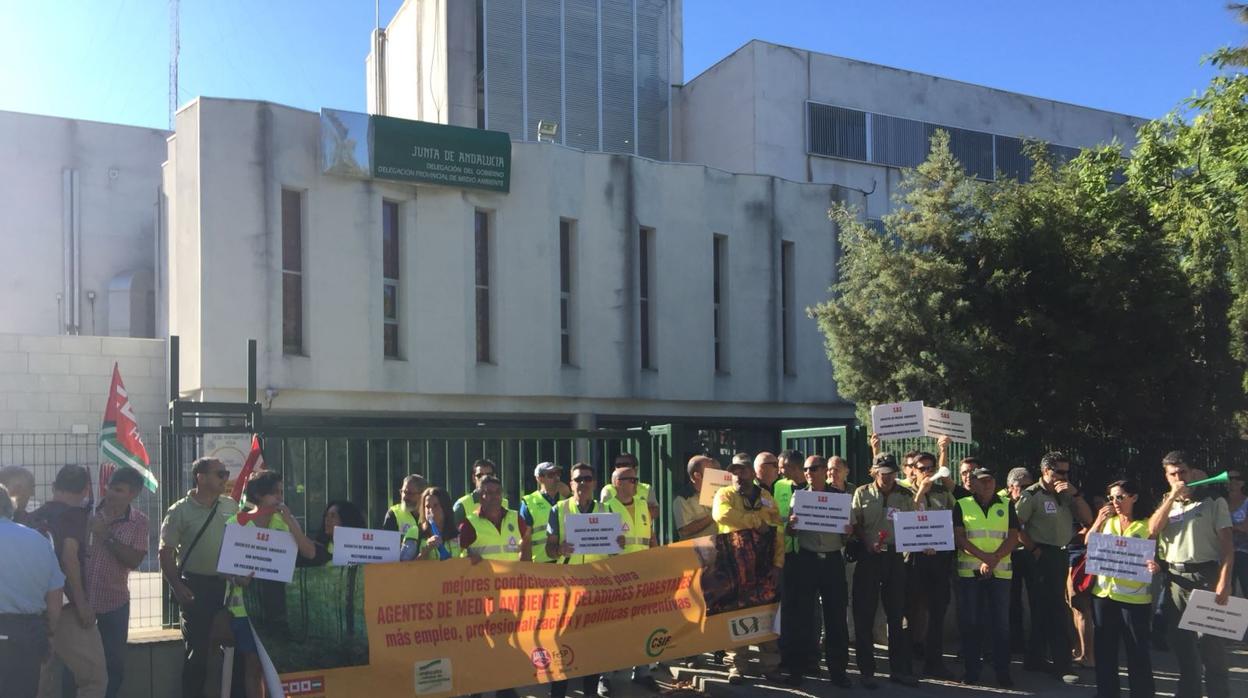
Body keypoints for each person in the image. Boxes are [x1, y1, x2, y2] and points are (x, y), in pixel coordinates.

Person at [223, 471, 317, 698]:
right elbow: (223, 567)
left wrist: (291, 522)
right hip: (245, 608)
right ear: (258, 494)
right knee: (253, 666)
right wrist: (238, 578)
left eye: (282, 492)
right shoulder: (236, 522)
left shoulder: (283, 522)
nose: (280, 497)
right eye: (275, 493)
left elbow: (310, 552)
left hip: (277, 605)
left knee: (275, 667)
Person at [1148, 451, 1234, 698]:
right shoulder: (1167, 502)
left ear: (1192, 471)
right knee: (1182, 646)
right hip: (1174, 579)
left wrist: (1224, 582)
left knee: (1211, 647)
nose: (1179, 478)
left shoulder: (1213, 501)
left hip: (1205, 577)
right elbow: (1153, 531)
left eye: (1182, 472)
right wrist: (1172, 497)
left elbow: (1227, 547)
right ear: (1166, 476)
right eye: (1172, 474)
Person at [158, 457, 240, 698]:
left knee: (236, 649)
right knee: (198, 653)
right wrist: (176, 585)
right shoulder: (179, 511)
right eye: (220, 474)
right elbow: (165, 551)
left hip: (228, 586)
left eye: (225, 474)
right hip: (196, 586)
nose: (225, 478)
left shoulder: (230, 505)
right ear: (200, 477)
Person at [30, 465, 107, 698]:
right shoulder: (75, 516)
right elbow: (69, 555)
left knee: (44, 678)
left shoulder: (36, 515)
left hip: (36, 606)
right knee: (93, 678)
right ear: (86, 490)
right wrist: (82, 603)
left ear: (54, 486)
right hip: (67, 606)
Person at [1015, 452, 1090, 683]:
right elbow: (1015, 526)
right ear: (1046, 471)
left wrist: (1075, 494)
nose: (1064, 476)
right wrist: (1034, 550)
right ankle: (1062, 664)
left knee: (1044, 609)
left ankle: (1034, 658)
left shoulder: (1067, 495)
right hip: (1041, 554)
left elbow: (1088, 519)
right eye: (1059, 472)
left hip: (1060, 553)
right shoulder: (1032, 495)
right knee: (1057, 611)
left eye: (1067, 472)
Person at [781, 455, 852, 688]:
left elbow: (844, 537)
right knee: (802, 616)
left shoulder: (840, 498)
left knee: (836, 617)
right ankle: (797, 670)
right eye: (806, 469)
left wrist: (848, 531)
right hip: (807, 559)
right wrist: (790, 525)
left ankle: (838, 671)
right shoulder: (799, 496)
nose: (809, 472)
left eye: (813, 468)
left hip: (832, 561)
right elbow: (790, 533)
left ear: (824, 471)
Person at [712, 453, 783, 685]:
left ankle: (770, 666)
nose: (738, 476)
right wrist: (755, 522)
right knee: (735, 615)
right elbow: (722, 514)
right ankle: (737, 667)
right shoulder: (724, 494)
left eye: (742, 471)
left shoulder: (766, 496)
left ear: (753, 473)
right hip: (734, 567)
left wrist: (778, 564)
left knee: (766, 615)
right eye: (734, 472)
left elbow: (778, 530)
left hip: (763, 567)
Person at [79, 467, 149, 698]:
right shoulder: (86, 512)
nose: (111, 493)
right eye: (109, 487)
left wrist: (106, 535)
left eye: (119, 490)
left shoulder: (139, 523)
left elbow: (134, 559)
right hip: (81, 601)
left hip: (114, 603)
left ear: (133, 494)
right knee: (77, 662)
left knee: (114, 663)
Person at [850, 453, 918, 689]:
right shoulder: (861, 493)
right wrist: (866, 541)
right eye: (883, 473)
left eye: (891, 473)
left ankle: (900, 670)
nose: (887, 477)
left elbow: (914, 526)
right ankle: (867, 671)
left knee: (897, 616)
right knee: (864, 615)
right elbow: (855, 522)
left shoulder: (905, 495)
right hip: (869, 557)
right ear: (874, 472)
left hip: (895, 557)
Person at [546, 463, 613, 698]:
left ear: (594, 483)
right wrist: (559, 549)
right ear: (571, 483)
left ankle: (590, 692)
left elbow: (613, 551)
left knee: (593, 643)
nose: (583, 483)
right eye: (578, 479)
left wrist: (619, 543)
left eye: (587, 478)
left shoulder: (606, 509)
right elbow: (549, 549)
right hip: (567, 588)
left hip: (596, 587)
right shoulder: (559, 509)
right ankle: (558, 692)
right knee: (562, 642)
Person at [1088, 480, 1157, 698]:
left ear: (1134, 497)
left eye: (1120, 497)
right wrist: (1098, 520)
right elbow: (1089, 542)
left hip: (1134, 598)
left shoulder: (1147, 524)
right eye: (1111, 498)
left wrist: (1157, 565)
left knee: (1137, 653)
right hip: (1104, 594)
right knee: (1105, 652)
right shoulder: (1109, 521)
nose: (1115, 502)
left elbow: (1159, 553)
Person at [952, 466, 1019, 688]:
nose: (988, 484)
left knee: (1001, 625)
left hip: (1000, 571)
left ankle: (1003, 672)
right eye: (982, 480)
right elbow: (960, 538)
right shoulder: (962, 505)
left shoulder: (1007, 504)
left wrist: (994, 559)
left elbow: (1013, 536)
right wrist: (983, 558)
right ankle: (972, 671)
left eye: (990, 480)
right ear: (974, 483)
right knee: (971, 622)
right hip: (970, 571)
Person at [1, 482, 66, 698]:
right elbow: (55, 596)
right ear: (9, 508)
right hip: (27, 634)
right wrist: (48, 634)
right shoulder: (38, 540)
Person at [605, 463, 661, 691]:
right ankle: (605, 676)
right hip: (616, 577)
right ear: (617, 483)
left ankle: (642, 671)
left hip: (643, 575)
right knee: (612, 628)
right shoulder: (606, 508)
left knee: (642, 625)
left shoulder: (642, 506)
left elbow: (651, 537)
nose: (636, 484)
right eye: (631, 480)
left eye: (636, 480)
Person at [906, 446, 956, 679]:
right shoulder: (905, 491)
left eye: (930, 468)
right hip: (913, 560)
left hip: (939, 559)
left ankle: (934, 661)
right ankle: (908, 660)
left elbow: (951, 519)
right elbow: (905, 520)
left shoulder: (942, 494)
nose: (926, 472)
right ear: (913, 471)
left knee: (937, 609)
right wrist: (919, 494)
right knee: (912, 609)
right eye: (921, 468)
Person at [1003, 466, 1034, 653]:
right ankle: (1014, 641)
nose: (1024, 491)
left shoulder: (1033, 500)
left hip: (1029, 554)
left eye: (1028, 487)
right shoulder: (1001, 502)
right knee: (1011, 601)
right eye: (1020, 487)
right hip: (1010, 554)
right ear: (1010, 487)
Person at [520, 462, 566, 563]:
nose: (556, 478)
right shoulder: (529, 501)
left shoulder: (567, 499)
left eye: (558, 473)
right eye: (551, 475)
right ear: (539, 478)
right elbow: (525, 538)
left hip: (566, 562)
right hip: (541, 564)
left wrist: (570, 495)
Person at [600, 452, 660, 522]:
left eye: (625, 465)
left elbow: (655, 512)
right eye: (618, 465)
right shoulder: (608, 489)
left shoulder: (646, 488)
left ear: (635, 468)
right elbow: (604, 515)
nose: (621, 468)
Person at [453, 460, 510, 527]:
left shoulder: (505, 503)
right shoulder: (462, 505)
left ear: (495, 477)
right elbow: (453, 534)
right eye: (480, 475)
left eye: (489, 475)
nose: (484, 478)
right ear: (473, 478)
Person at [672, 456, 718, 540]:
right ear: (697, 475)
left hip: (720, 547)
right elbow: (685, 530)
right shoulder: (682, 499)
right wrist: (714, 515)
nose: (714, 473)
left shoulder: (720, 492)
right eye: (710, 471)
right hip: (696, 551)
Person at [1227, 469, 1247, 617]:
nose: (1232, 482)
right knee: (1226, 592)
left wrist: (1225, 527)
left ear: (1243, 482)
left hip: (1244, 553)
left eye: (1237, 479)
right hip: (1223, 554)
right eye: (1229, 478)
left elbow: (1245, 528)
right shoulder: (1220, 502)